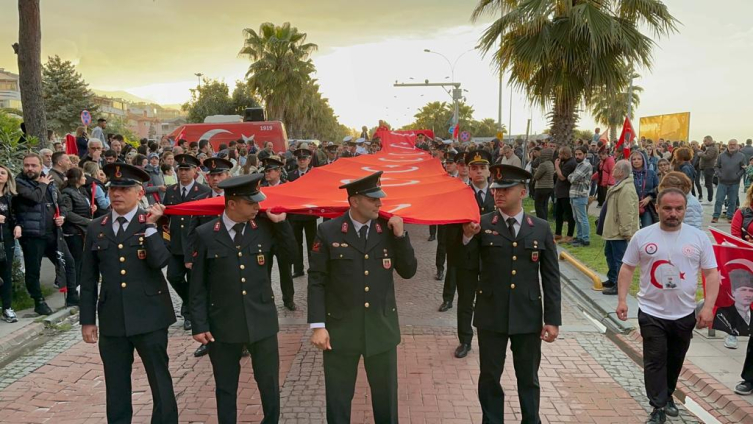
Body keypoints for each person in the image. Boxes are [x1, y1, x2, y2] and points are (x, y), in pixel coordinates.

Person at [308, 170, 417, 424]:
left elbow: (409, 271)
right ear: (354, 201)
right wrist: (318, 325)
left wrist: (401, 237)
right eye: (373, 198)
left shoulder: (388, 229)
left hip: (381, 328)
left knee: (386, 401)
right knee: (338, 399)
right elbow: (316, 280)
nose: (379, 203)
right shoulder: (328, 231)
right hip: (340, 330)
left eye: (379, 198)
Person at [190, 173, 295, 424]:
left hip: (262, 321)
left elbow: (291, 256)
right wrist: (199, 324)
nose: (257, 207)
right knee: (225, 386)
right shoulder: (205, 234)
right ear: (232, 203)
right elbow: (198, 285)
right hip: (223, 324)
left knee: (269, 383)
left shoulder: (265, 228)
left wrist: (282, 225)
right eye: (251, 203)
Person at [461, 164, 561, 424]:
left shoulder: (539, 227)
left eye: (506, 189)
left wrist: (552, 319)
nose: (499, 194)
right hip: (491, 315)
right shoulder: (482, 224)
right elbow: (467, 268)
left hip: (527, 316)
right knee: (490, 376)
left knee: (528, 378)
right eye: (496, 189)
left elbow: (550, 277)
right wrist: (467, 240)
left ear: (523, 192)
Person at [80, 163, 177, 424]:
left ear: (139, 192)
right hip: (113, 319)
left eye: (123, 189)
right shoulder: (96, 227)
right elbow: (88, 278)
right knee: (116, 383)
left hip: (151, 316)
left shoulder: (156, 221)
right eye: (113, 189)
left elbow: (160, 261)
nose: (116, 194)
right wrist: (87, 320)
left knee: (159, 380)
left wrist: (151, 227)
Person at [616, 188, 720, 423]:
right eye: (668, 208)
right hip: (652, 312)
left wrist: (709, 307)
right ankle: (658, 407)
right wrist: (622, 299)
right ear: (657, 208)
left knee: (675, 359)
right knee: (655, 359)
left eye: (678, 209)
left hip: (684, 313)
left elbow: (712, 274)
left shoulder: (698, 237)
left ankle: (668, 394)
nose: (673, 213)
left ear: (685, 210)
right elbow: (627, 268)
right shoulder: (642, 237)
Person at [181, 157, 234, 358]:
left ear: (228, 175)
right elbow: (191, 231)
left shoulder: (235, 197)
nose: (215, 179)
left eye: (220, 174)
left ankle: (241, 340)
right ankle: (209, 340)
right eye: (212, 175)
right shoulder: (201, 199)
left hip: (230, 257)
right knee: (208, 299)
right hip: (207, 258)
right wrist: (189, 257)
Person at [13, 153, 78, 313]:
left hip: (53, 233)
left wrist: (61, 215)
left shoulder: (49, 181)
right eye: (27, 165)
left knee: (68, 263)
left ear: (41, 166)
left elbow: (61, 202)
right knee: (34, 269)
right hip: (32, 234)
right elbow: (34, 198)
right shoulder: (19, 183)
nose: (29, 168)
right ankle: (39, 302)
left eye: (33, 165)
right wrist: (42, 184)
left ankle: (72, 296)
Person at [452, 150, 495, 359]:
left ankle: (489, 338)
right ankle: (465, 340)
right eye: (474, 168)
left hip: (491, 259)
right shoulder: (459, 195)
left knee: (490, 301)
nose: (479, 172)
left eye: (483, 168)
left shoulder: (498, 194)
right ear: (468, 171)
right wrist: (466, 235)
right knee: (466, 301)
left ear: (489, 171)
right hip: (466, 257)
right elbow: (449, 232)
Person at [162, 154, 211, 331]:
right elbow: (166, 216)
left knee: (194, 280)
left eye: (186, 169)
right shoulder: (171, 191)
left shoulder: (203, 191)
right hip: (176, 244)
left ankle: (190, 314)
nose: (183, 173)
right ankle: (188, 303)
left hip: (194, 244)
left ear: (195, 171)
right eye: (180, 169)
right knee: (173, 276)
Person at [259, 156, 296, 311]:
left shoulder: (288, 187)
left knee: (285, 269)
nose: (267, 174)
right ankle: (267, 299)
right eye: (265, 171)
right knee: (264, 270)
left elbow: (294, 208)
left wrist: (284, 217)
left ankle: (288, 299)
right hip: (266, 233)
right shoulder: (260, 189)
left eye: (270, 170)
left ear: (279, 171)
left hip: (282, 234)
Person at [599, 160, 640, 295]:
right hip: (612, 229)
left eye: (616, 169)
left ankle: (619, 285)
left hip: (619, 231)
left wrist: (626, 231)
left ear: (621, 172)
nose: (613, 170)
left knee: (619, 259)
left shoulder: (626, 189)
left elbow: (626, 212)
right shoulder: (619, 185)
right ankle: (612, 279)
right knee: (609, 254)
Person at [59, 167, 95, 287]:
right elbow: (68, 213)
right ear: (77, 179)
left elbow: (82, 207)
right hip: (74, 231)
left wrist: (91, 209)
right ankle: (74, 287)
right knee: (76, 261)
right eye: (83, 176)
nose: (85, 178)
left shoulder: (81, 191)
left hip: (82, 230)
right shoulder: (67, 193)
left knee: (82, 261)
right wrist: (87, 221)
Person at [288, 146, 317, 285]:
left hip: (310, 214)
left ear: (309, 159)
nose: (302, 161)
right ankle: (298, 268)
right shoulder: (291, 175)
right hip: (295, 214)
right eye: (299, 159)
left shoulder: (314, 174)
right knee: (296, 243)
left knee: (312, 242)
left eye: (304, 158)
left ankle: (313, 267)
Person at [0, 165, 21, 323]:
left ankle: (7, 307)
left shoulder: (9, 197)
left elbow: (14, 215)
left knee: (6, 274)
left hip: (6, 239)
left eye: (2, 173)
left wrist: (17, 226)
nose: (0, 176)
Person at [712, 138, 746, 223]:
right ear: (728, 145)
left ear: (737, 146)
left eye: (734, 144)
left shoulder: (741, 156)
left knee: (732, 201)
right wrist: (720, 175)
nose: (732, 146)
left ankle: (730, 216)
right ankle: (716, 216)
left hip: (734, 183)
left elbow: (744, 168)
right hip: (722, 182)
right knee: (719, 200)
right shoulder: (721, 155)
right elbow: (716, 166)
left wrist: (737, 175)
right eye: (730, 144)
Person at [567, 146, 593, 246]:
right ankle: (579, 237)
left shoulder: (586, 165)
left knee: (582, 218)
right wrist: (572, 177)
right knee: (576, 218)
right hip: (574, 193)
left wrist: (573, 177)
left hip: (580, 194)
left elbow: (572, 178)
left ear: (585, 155)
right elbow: (570, 176)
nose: (577, 156)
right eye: (576, 154)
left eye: (579, 154)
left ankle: (585, 240)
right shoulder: (579, 165)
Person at [554, 146, 577, 242]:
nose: (559, 156)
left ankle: (569, 234)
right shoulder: (566, 162)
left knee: (569, 214)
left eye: (560, 154)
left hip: (566, 193)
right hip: (561, 193)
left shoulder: (570, 163)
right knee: (558, 213)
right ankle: (558, 233)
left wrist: (556, 165)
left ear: (565, 154)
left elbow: (562, 177)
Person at [631, 151, 660, 228]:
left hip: (648, 207)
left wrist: (649, 197)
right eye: (634, 159)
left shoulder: (651, 173)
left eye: (639, 159)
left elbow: (658, 187)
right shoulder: (628, 174)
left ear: (643, 160)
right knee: (632, 231)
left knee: (647, 228)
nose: (636, 161)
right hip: (632, 206)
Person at [532, 148, 554, 220]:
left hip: (541, 187)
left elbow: (536, 176)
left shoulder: (543, 165)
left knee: (538, 206)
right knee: (544, 205)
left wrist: (535, 171)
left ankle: (541, 222)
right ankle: (545, 221)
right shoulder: (550, 163)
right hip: (549, 187)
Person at [696, 135, 719, 203]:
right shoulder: (710, 147)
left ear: (709, 140)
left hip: (709, 167)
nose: (704, 142)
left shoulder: (712, 148)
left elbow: (708, 157)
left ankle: (709, 199)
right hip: (707, 167)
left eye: (705, 141)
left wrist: (701, 154)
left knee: (708, 184)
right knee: (708, 183)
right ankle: (709, 198)